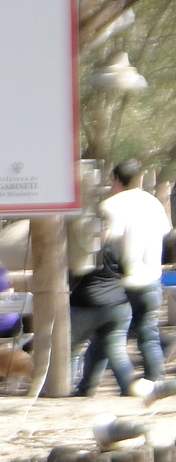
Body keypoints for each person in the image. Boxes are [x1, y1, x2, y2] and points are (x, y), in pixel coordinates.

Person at [99, 159, 172, 381]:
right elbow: (165, 232)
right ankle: (156, 380)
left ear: (116, 179)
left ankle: (121, 382)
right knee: (148, 335)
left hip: (122, 281)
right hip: (152, 278)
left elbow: (107, 241)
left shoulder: (110, 205)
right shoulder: (153, 203)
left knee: (110, 335)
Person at [70, 239, 139, 398]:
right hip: (118, 305)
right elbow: (125, 270)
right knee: (114, 350)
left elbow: (68, 276)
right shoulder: (116, 244)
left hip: (84, 305)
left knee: (69, 351)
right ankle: (129, 388)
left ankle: (64, 388)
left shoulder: (77, 244)